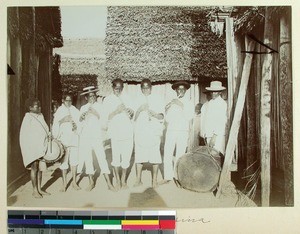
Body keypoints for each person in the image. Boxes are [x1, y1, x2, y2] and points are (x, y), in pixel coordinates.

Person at [77, 86, 115, 191]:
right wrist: (81, 118)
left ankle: (109, 184)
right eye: (89, 97)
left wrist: (96, 114)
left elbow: (105, 124)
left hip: (97, 136)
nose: (92, 98)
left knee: (102, 158)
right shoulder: (83, 108)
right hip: (86, 136)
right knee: (88, 158)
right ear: (86, 98)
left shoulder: (101, 106)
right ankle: (91, 183)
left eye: (93, 96)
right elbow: (79, 125)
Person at [102, 79, 134, 190]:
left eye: (120, 89)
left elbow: (133, 114)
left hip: (128, 132)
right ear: (112, 88)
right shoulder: (107, 100)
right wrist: (117, 111)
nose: (118, 91)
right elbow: (105, 118)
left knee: (126, 158)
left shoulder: (128, 98)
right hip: (115, 133)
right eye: (116, 88)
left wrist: (131, 112)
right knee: (116, 158)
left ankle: (123, 181)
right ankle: (117, 181)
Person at [160, 81, 194, 185]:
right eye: (179, 89)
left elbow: (189, 117)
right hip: (171, 130)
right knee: (167, 152)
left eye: (183, 89)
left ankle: (178, 177)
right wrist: (167, 109)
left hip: (183, 131)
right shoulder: (172, 102)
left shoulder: (189, 102)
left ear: (186, 91)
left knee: (180, 154)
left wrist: (181, 105)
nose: (181, 91)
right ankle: (167, 176)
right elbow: (168, 120)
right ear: (176, 90)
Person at [133, 79, 164, 188]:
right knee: (139, 155)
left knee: (155, 155)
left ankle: (154, 180)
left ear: (151, 88)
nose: (146, 90)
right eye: (143, 88)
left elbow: (162, 116)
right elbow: (133, 118)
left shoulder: (158, 99)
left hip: (153, 132)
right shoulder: (136, 100)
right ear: (141, 89)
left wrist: (155, 115)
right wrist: (139, 109)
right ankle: (138, 180)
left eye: (148, 88)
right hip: (141, 131)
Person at [19, 98, 51, 198]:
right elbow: (24, 135)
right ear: (30, 108)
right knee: (35, 168)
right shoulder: (28, 118)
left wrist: (48, 135)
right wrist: (30, 148)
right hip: (32, 148)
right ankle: (34, 190)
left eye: (40, 105)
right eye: (37, 106)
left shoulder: (40, 116)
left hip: (41, 146)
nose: (39, 108)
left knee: (40, 168)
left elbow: (45, 129)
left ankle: (40, 188)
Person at [52, 94, 81, 192]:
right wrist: (62, 120)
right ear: (63, 100)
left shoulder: (75, 110)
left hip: (74, 139)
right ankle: (64, 184)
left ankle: (74, 182)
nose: (68, 103)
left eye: (70, 100)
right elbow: (55, 125)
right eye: (67, 100)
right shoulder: (59, 111)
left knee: (74, 161)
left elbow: (80, 124)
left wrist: (76, 127)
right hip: (64, 140)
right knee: (64, 163)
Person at [200, 81, 227, 155]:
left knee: (216, 155)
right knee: (210, 157)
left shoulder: (222, 104)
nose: (213, 93)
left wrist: (214, 137)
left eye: (216, 92)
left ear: (220, 92)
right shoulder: (209, 103)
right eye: (212, 92)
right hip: (208, 134)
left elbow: (221, 121)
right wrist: (204, 134)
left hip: (217, 136)